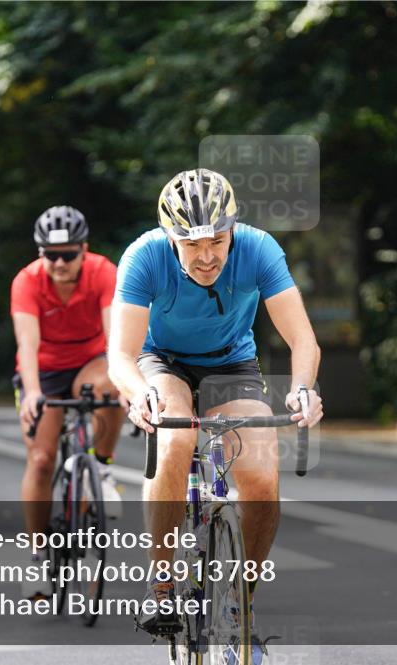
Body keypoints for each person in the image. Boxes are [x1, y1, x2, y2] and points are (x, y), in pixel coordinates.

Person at [108, 169, 324, 654]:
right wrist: (140, 394)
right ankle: (161, 586)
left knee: (263, 479)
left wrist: (304, 389)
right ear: (171, 238)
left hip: (232, 364)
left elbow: (302, 337)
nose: (207, 256)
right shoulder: (144, 257)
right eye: (191, 245)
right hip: (162, 361)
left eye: (217, 241)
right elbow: (119, 355)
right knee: (176, 440)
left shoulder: (260, 249)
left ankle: (238, 603)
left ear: (233, 230)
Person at [12, 206, 124, 597]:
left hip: (90, 362)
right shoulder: (26, 281)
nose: (59, 263)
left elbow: (115, 336)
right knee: (41, 459)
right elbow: (27, 342)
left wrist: (126, 379)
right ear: (41, 253)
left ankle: (103, 469)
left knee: (113, 388)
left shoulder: (103, 271)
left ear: (84, 249)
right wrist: (32, 392)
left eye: (68, 254)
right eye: (50, 255)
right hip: (43, 370)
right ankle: (38, 555)